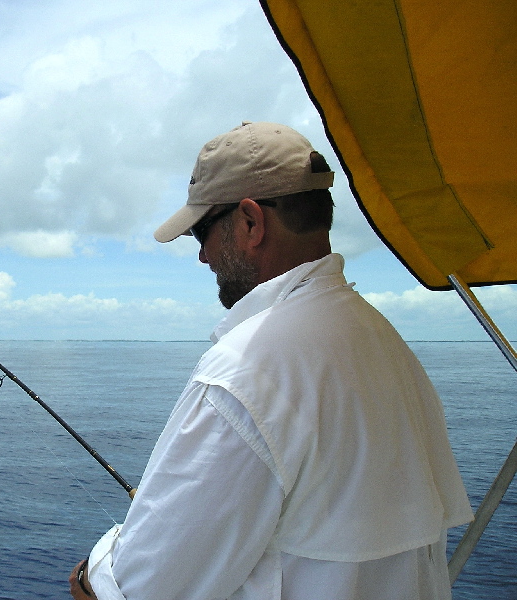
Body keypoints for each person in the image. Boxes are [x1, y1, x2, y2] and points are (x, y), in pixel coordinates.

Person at [69, 122, 473, 600]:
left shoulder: (244, 372)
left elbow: (140, 589)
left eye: (202, 231)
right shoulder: (384, 341)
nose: (201, 256)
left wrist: (88, 579)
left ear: (250, 222)